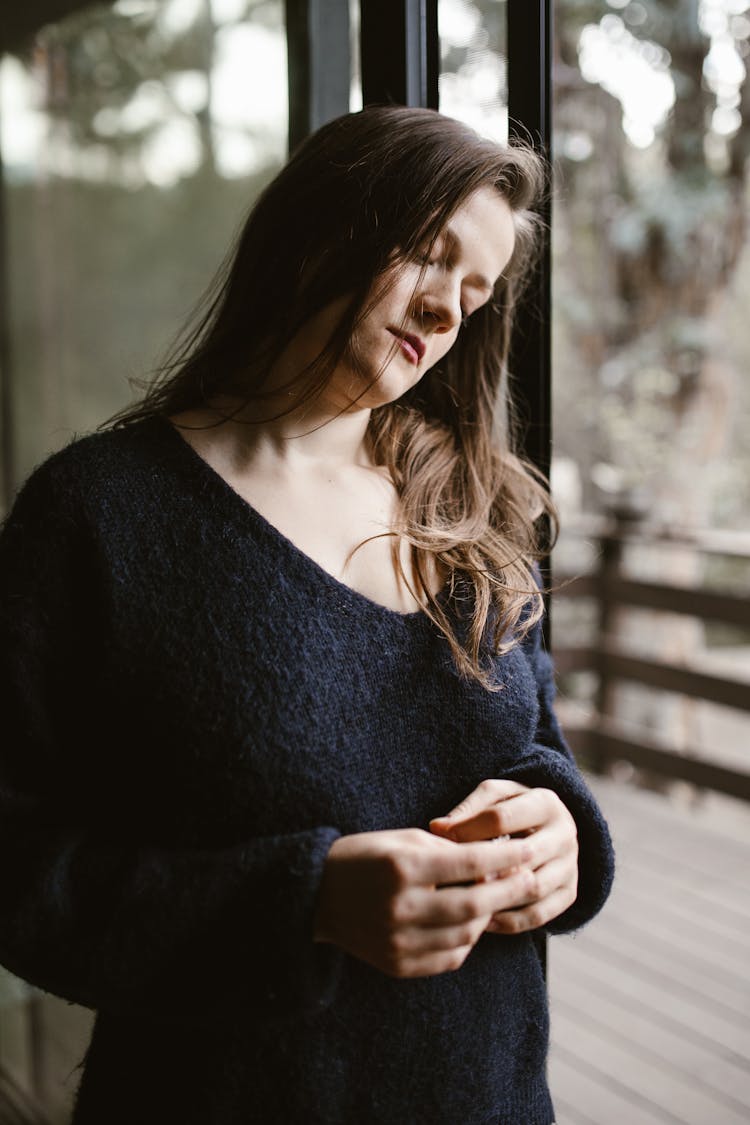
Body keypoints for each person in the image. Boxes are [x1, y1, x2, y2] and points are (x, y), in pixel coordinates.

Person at [0, 105, 614, 1125]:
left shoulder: (469, 501)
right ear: (323, 226)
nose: (449, 311)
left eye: (477, 292)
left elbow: (531, 740)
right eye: (429, 256)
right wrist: (305, 903)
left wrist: (564, 831)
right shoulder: (97, 516)